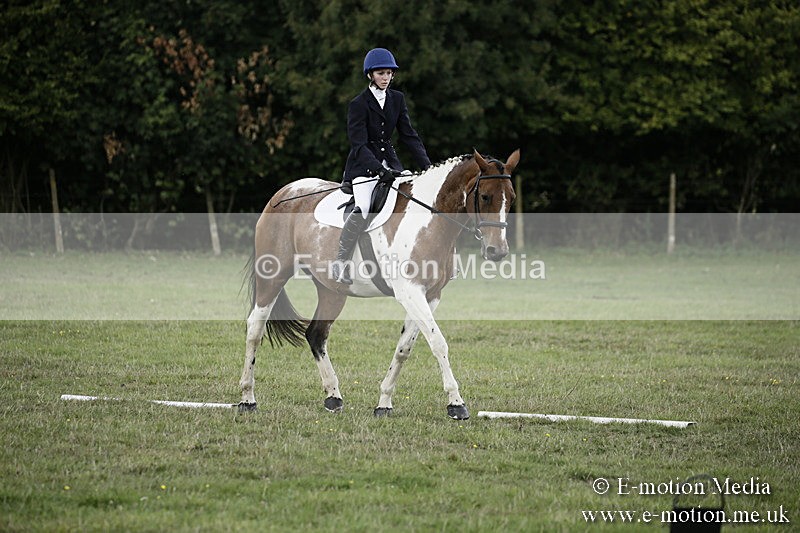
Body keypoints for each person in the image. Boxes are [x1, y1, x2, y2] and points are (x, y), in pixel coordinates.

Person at [332, 47, 432, 285]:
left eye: (389, 73)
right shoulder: (358, 104)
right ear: (370, 75)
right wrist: (378, 169)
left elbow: (409, 135)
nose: (386, 78)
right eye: (380, 73)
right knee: (365, 206)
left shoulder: (397, 99)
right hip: (363, 167)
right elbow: (358, 144)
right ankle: (341, 261)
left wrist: (428, 167)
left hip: (392, 165)